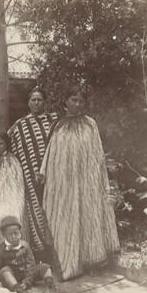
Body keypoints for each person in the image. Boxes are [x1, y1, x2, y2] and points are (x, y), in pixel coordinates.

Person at [39, 85, 120, 281]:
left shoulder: (90, 124)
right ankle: (70, 263)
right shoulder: (58, 126)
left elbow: (97, 154)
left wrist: (95, 179)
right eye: (73, 100)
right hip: (65, 182)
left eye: (81, 101)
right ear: (65, 101)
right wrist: (43, 173)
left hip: (86, 180)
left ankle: (91, 260)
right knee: (67, 217)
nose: (77, 104)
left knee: (88, 216)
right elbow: (51, 153)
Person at [8, 87, 59, 263]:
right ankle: (42, 257)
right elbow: (9, 146)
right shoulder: (19, 125)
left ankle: (60, 254)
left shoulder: (54, 121)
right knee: (37, 213)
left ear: (44, 102)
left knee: (55, 211)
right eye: (33, 100)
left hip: (54, 175)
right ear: (28, 103)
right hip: (31, 178)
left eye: (39, 100)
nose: (36, 103)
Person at [0, 216, 66, 293]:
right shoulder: (0, 249)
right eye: (10, 234)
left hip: (27, 275)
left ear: (20, 232)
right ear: (4, 235)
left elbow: (31, 264)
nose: (14, 237)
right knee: (5, 270)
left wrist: (27, 281)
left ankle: (50, 287)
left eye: (16, 233)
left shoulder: (25, 245)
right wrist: (5, 282)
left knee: (44, 266)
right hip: (13, 278)